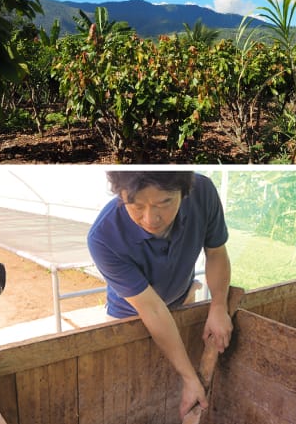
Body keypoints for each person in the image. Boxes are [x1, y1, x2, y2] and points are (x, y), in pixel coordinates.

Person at [88, 171, 231, 420]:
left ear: (185, 192)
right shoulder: (104, 237)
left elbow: (216, 252)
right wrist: (189, 378)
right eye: (136, 205)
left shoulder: (203, 192)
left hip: (181, 297)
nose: (150, 218)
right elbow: (152, 309)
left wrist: (219, 305)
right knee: (129, 383)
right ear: (121, 196)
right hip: (129, 313)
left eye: (164, 203)